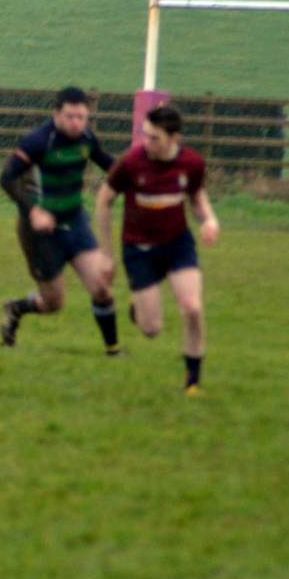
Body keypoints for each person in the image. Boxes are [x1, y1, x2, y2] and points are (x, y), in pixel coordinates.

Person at [95, 105, 220, 394]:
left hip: (178, 245)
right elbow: (103, 201)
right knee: (151, 329)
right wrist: (107, 254)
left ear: (174, 138)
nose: (147, 143)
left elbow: (197, 198)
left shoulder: (191, 163)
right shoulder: (131, 162)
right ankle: (139, 306)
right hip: (139, 250)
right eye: (145, 135)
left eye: (155, 138)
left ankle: (192, 382)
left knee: (193, 307)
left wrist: (209, 220)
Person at [0, 86, 120, 355]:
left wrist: (141, 178)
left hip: (75, 224)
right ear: (56, 114)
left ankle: (113, 351)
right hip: (40, 234)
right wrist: (34, 212)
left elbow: (110, 165)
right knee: (54, 303)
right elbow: (6, 178)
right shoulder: (38, 142)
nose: (76, 123)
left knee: (101, 287)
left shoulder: (87, 139)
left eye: (81, 117)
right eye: (70, 116)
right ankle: (16, 309)